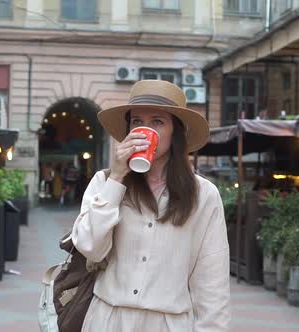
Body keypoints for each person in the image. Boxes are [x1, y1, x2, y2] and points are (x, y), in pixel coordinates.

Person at [72, 80, 230, 331]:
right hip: (109, 320)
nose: (145, 130)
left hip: (168, 323)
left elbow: (212, 281)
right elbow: (90, 248)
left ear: (174, 132)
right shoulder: (104, 182)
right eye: (137, 122)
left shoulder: (203, 194)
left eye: (157, 122)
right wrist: (116, 179)